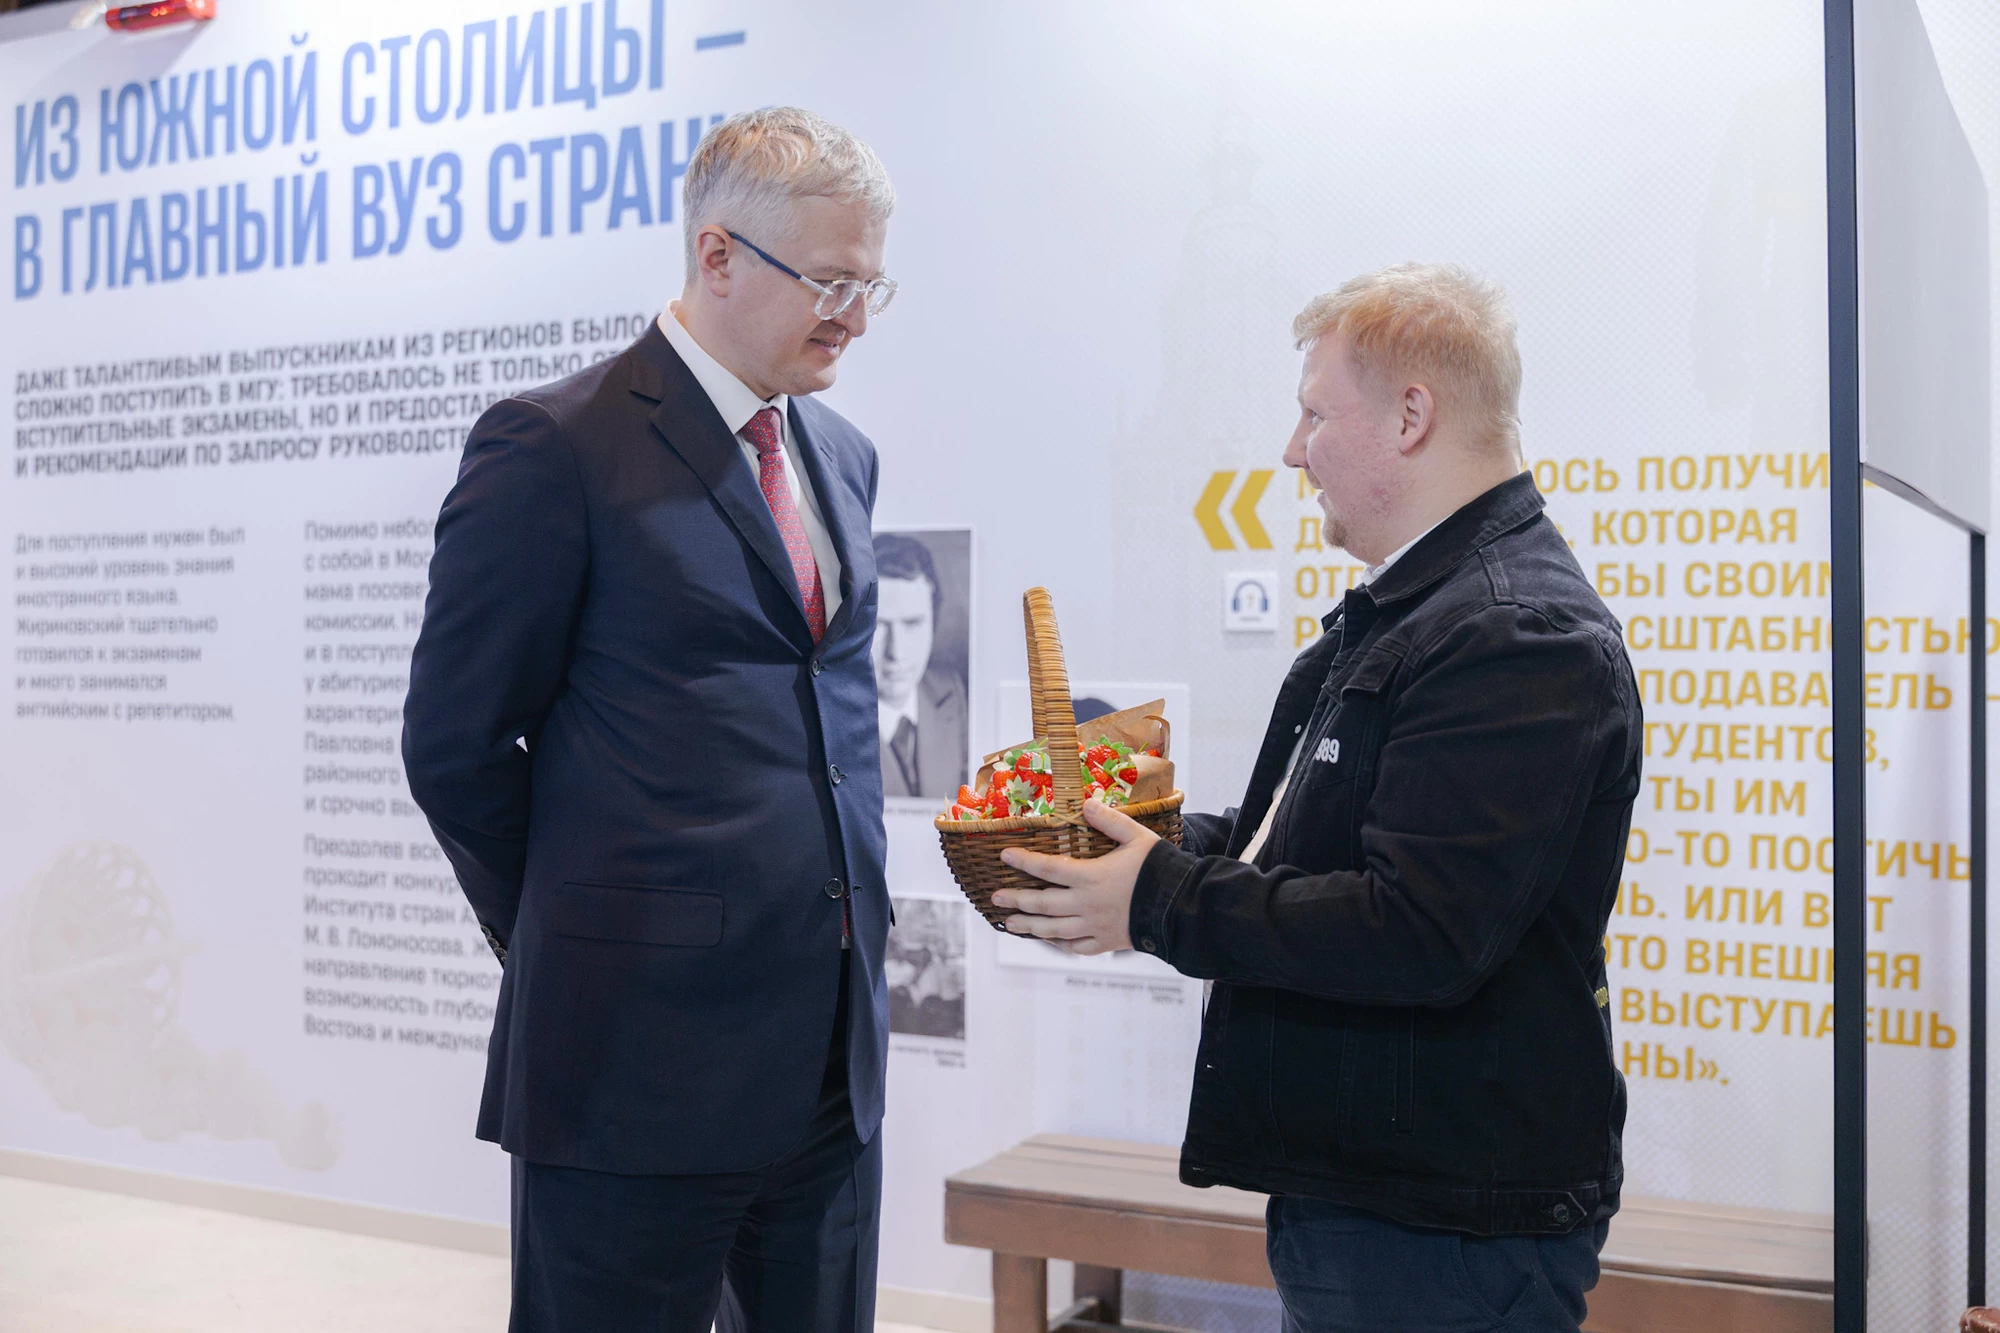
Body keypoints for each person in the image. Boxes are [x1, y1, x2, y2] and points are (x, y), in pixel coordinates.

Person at [992, 263, 1643, 1333]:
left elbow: (1416, 927)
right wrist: (1124, 841)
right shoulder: (1421, 609)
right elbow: (1291, 848)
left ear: (1411, 417)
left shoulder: (1512, 633)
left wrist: (1154, 897)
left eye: (1312, 414)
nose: (1292, 451)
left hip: (1441, 1227)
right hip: (1384, 1200)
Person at [402, 107, 898, 1333]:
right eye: (827, 281)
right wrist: (567, 932)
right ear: (716, 254)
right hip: (630, 1058)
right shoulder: (557, 445)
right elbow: (456, 746)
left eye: (869, 286)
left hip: (830, 1059)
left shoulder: (841, 455)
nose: (850, 315)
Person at [871, 533, 969, 799]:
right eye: (878, 626)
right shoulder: (829, 712)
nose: (897, 652)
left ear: (933, 623)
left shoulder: (950, 691)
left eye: (913, 624)